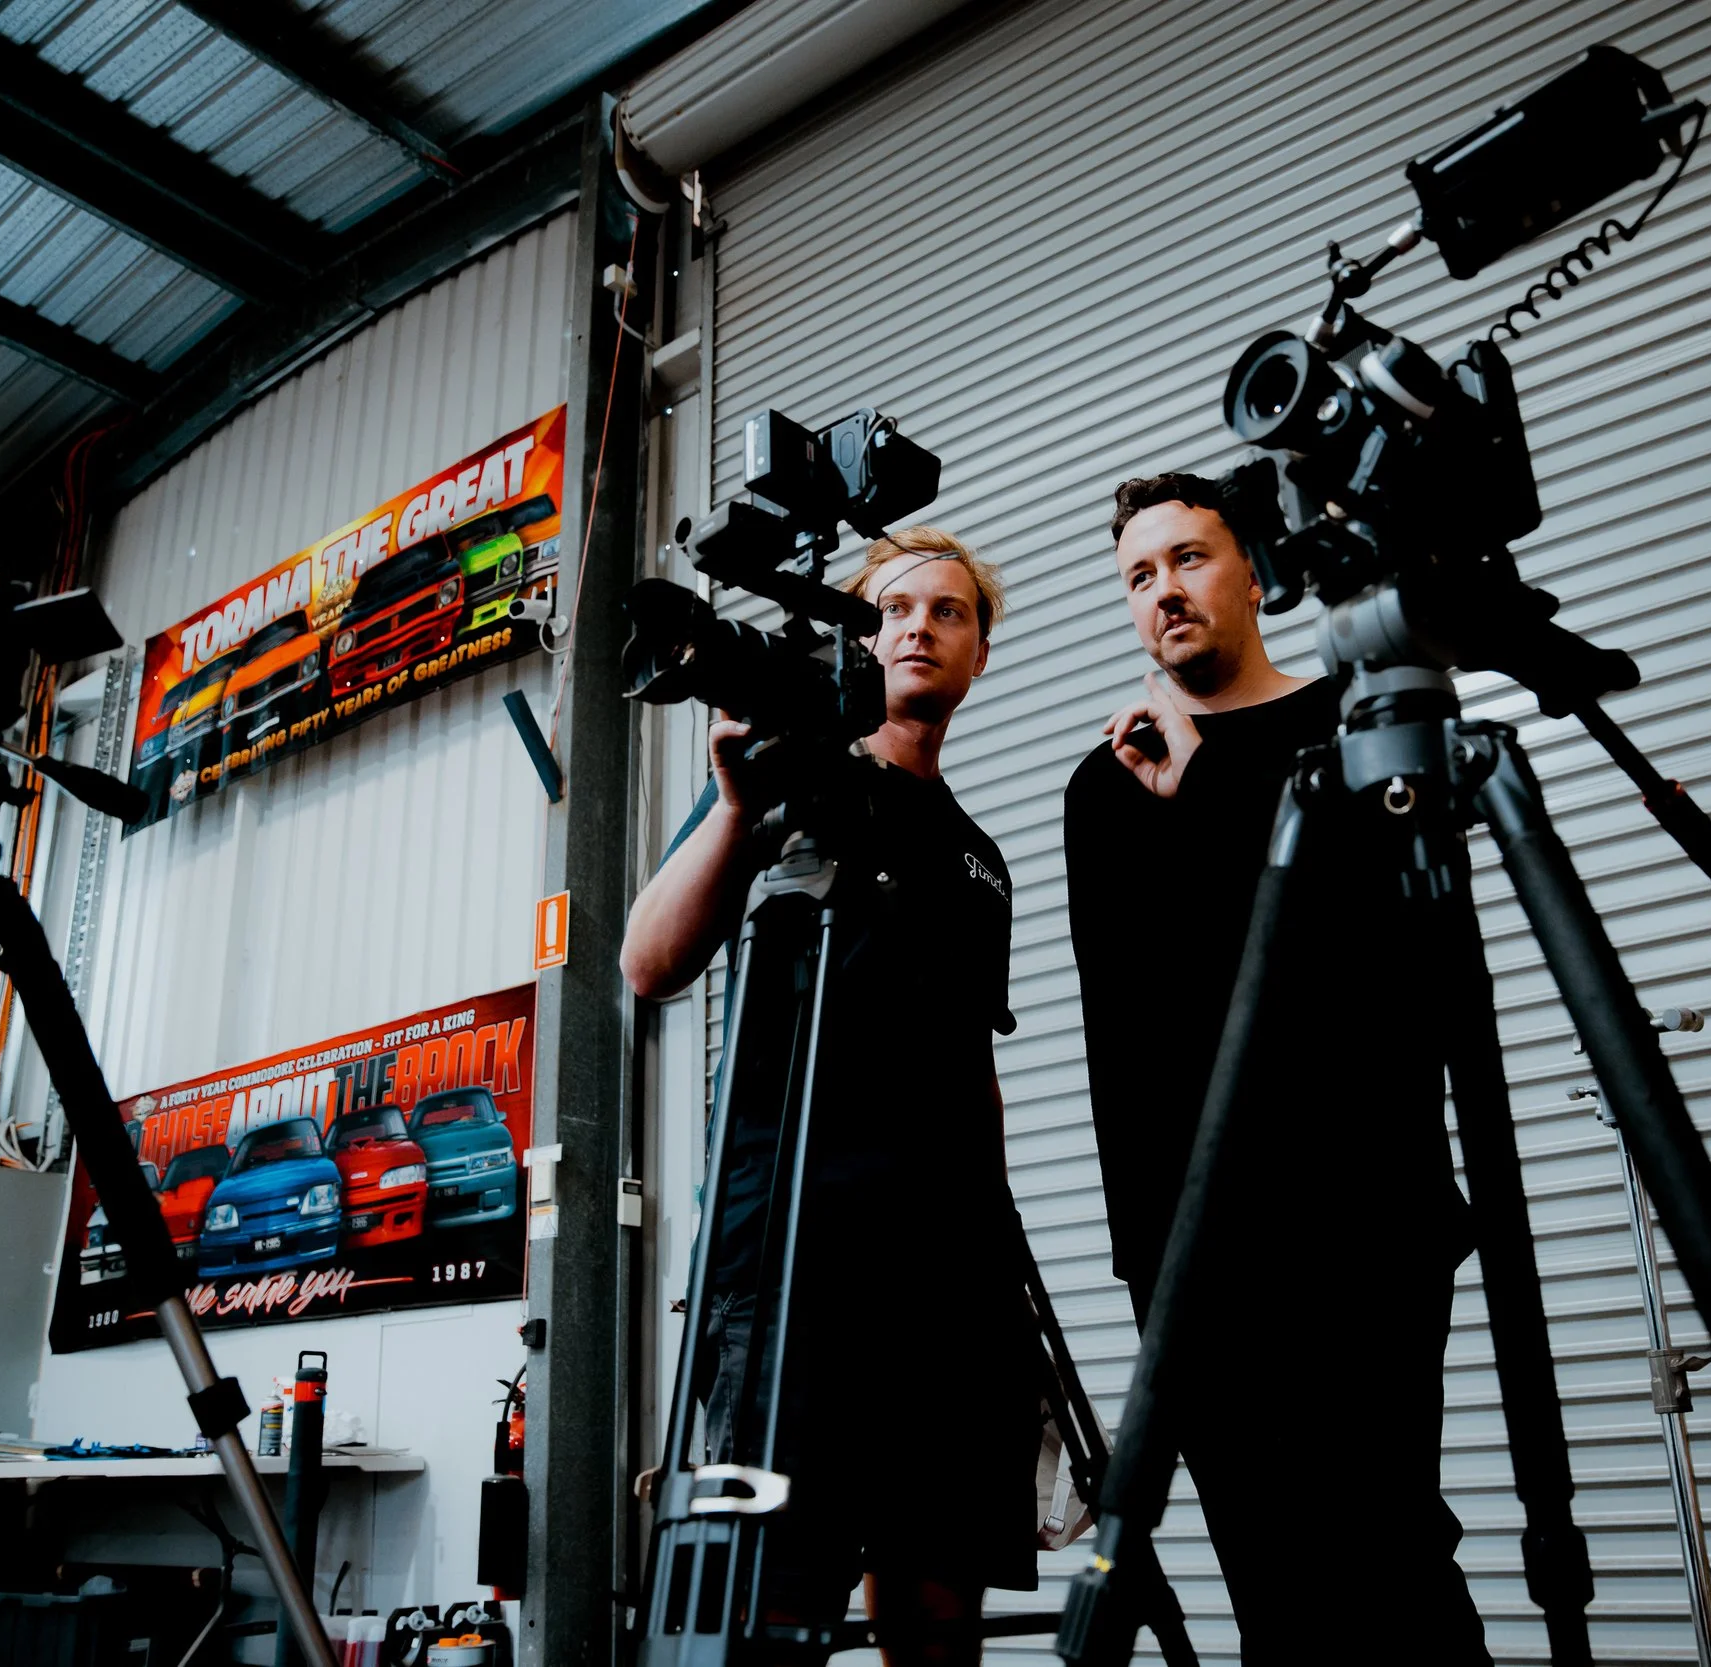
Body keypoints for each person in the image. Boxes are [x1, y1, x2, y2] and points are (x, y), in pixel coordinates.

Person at [1063, 473, 1489, 1663]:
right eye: (1139, 576)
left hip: (1366, 1221)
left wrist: (1206, 786)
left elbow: (1380, 956)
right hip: (1201, 1257)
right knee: (1273, 1583)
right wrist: (1145, 1264)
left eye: (1189, 558)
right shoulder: (1103, 788)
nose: (1165, 592)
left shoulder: (1362, 726)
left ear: (1253, 568)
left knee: (1393, 1555)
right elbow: (1126, 1043)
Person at [622, 527, 1041, 1666]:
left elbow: (974, 1064)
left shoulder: (977, 857)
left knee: (939, 1615)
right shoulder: (786, 781)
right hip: (790, 1263)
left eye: (947, 610)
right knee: (763, 1612)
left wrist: (1002, 1276)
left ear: (979, 654)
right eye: (891, 607)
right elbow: (649, 963)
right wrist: (727, 810)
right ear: (857, 638)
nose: (917, 625)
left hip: (949, 1278)